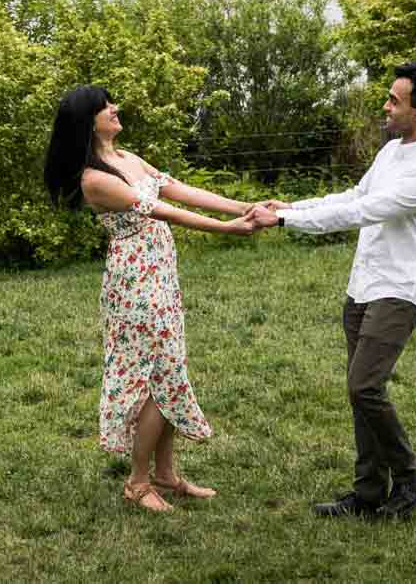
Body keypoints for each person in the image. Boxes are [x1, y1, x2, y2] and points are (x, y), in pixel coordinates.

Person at [43, 84, 262, 513]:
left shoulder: (128, 159)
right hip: (135, 285)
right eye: (106, 107)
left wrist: (241, 206)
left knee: (169, 367)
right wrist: (226, 230)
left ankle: (166, 474)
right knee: (156, 377)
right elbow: (160, 210)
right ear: (88, 120)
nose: (115, 109)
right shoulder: (95, 178)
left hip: (160, 277)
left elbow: (177, 190)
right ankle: (138, 483)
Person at [249, 62, 416, 521]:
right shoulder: (392, 152)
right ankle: (367, 492)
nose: (385, 106)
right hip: (365, 284)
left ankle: (407, 474)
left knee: (365, 385)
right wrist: (294, 205)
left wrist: (283, 220)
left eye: (394, 101)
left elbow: (360, 213)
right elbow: (353, 195)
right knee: (359, 391)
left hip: (399, 290)